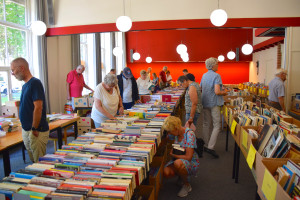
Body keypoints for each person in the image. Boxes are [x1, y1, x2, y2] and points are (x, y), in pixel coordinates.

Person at [10, 57, 49, 163]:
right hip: (27, 129)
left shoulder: (35, 83)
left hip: (36, 130)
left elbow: (38, 107)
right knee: (34, 161)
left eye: (13, 70)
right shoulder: (25, 85)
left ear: (22, 68)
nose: (12, 73)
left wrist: (35, 128)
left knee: (39, 163)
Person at [162, 116, 199, 198]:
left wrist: (173, 155)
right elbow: (166, 138)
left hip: (190, 161)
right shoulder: (175, 133)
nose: (169, 133)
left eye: (170, 131)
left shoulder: (189, 135)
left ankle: (187, 185)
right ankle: (182, 176)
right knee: (166, 172)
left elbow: (189, 157)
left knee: (178, 163)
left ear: (176, 128)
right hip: (177, 159)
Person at [200, 57, 229, 158]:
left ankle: (206, 144)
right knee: (217, 125)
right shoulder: (217, 76)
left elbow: (201, 88)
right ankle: (210, 147)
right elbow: (217, 92)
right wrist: (224, 92)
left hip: (205, 102)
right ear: (213, 65)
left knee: (206, 124)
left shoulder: (204, 75)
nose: (218, 65)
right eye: (217, 64)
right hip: (214, 103)